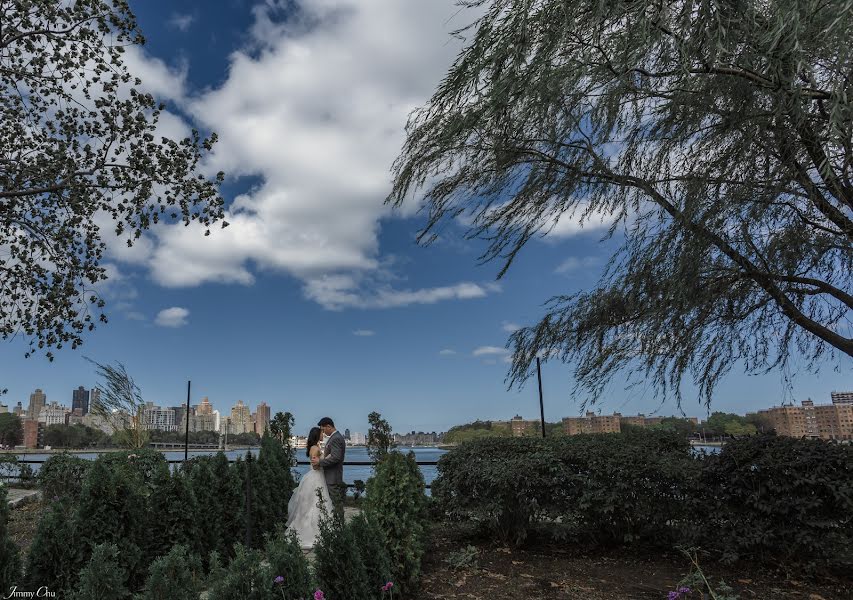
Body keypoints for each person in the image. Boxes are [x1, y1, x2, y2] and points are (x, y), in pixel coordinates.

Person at [285, 426, 332, 548]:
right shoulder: (315, 448)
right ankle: (312, 533)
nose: (323, 435)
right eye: (321, 433)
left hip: (318, 477)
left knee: (315, 504)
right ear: (317, 435)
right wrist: (326, 460)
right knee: (313, 505)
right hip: (316, 478)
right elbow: (315, 464)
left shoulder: (316, 447)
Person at [311, 416, 346, 519]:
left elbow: (336, 458)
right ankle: (337, 523)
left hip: (333, 477)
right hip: (332, 476)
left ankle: (339, 524)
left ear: (329, 426)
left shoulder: (335, 438)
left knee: (336, 502)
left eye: (323, 429)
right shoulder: (335, 437)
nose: (323, 432)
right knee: (335, 503)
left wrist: (320, 461)